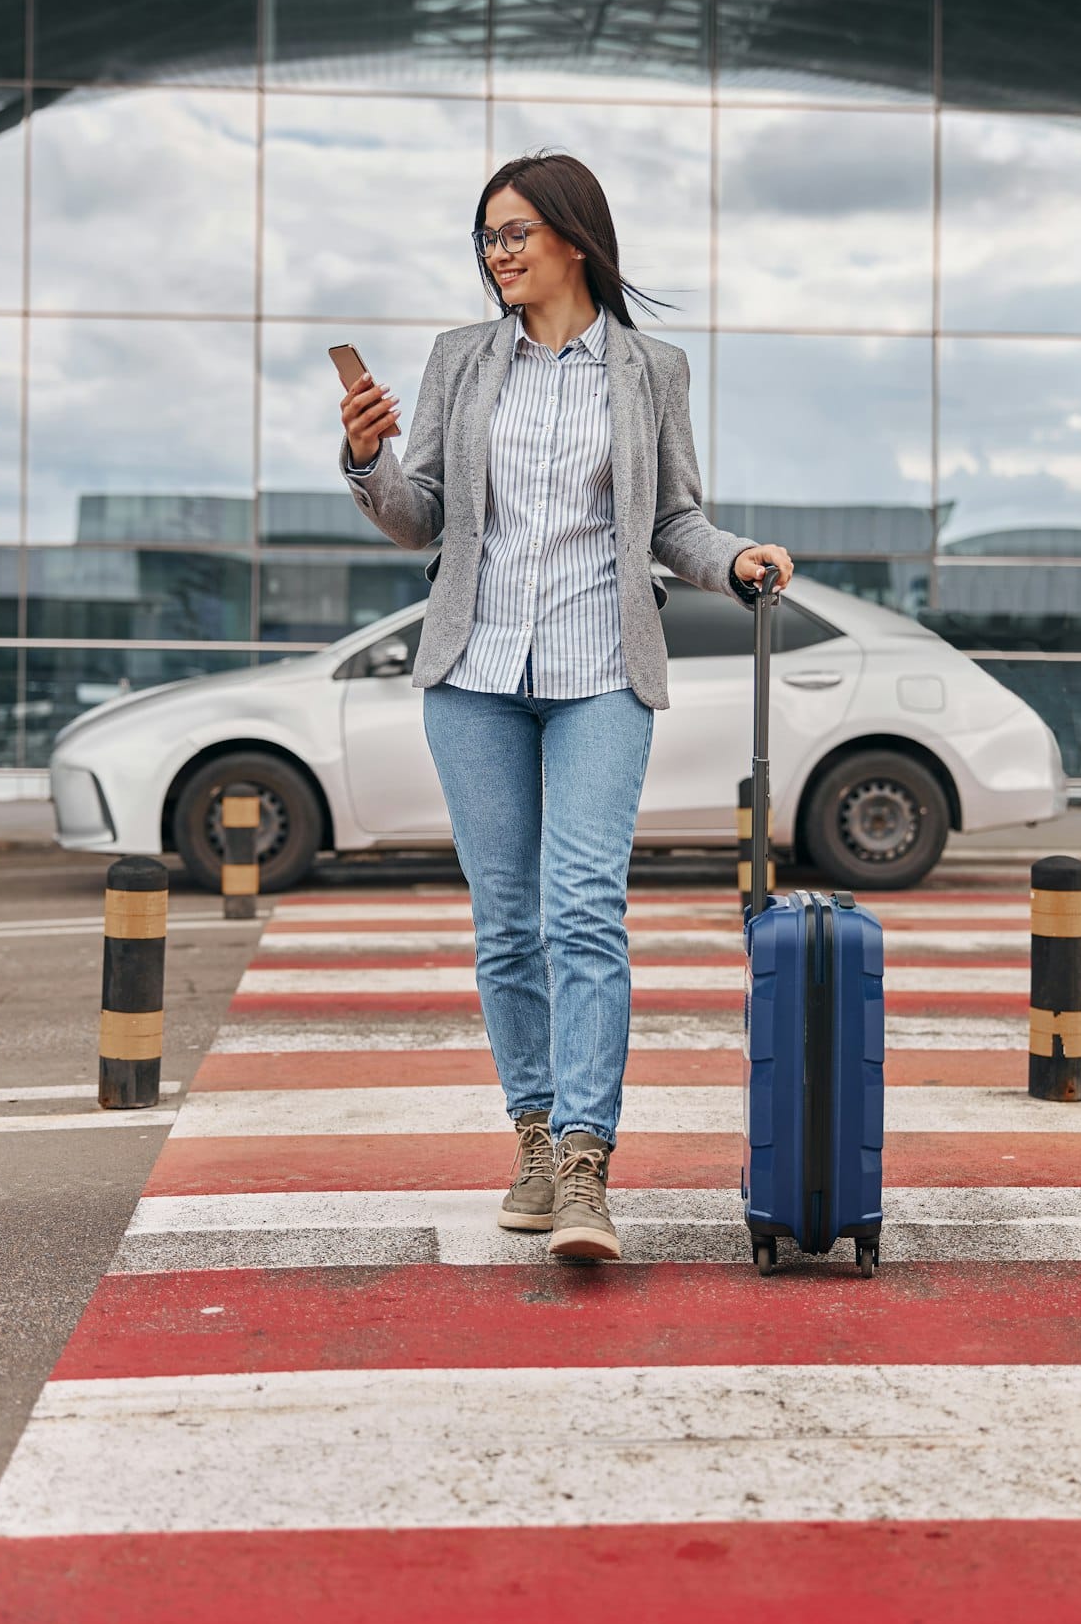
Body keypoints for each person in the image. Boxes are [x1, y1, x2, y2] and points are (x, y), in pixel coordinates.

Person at [339, 150, 793, 1261]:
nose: (496, 251)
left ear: (573, 240)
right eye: (486, 234)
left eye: (514, 232)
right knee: (506, 924)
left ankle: (588, 1158)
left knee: (582, 908)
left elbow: (674, 521)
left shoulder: (651, 370)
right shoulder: (459, 360)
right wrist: (367, 459)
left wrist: (735, 557)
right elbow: (420, 516)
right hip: (474, 672)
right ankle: (533, 1138)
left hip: (600, 670)